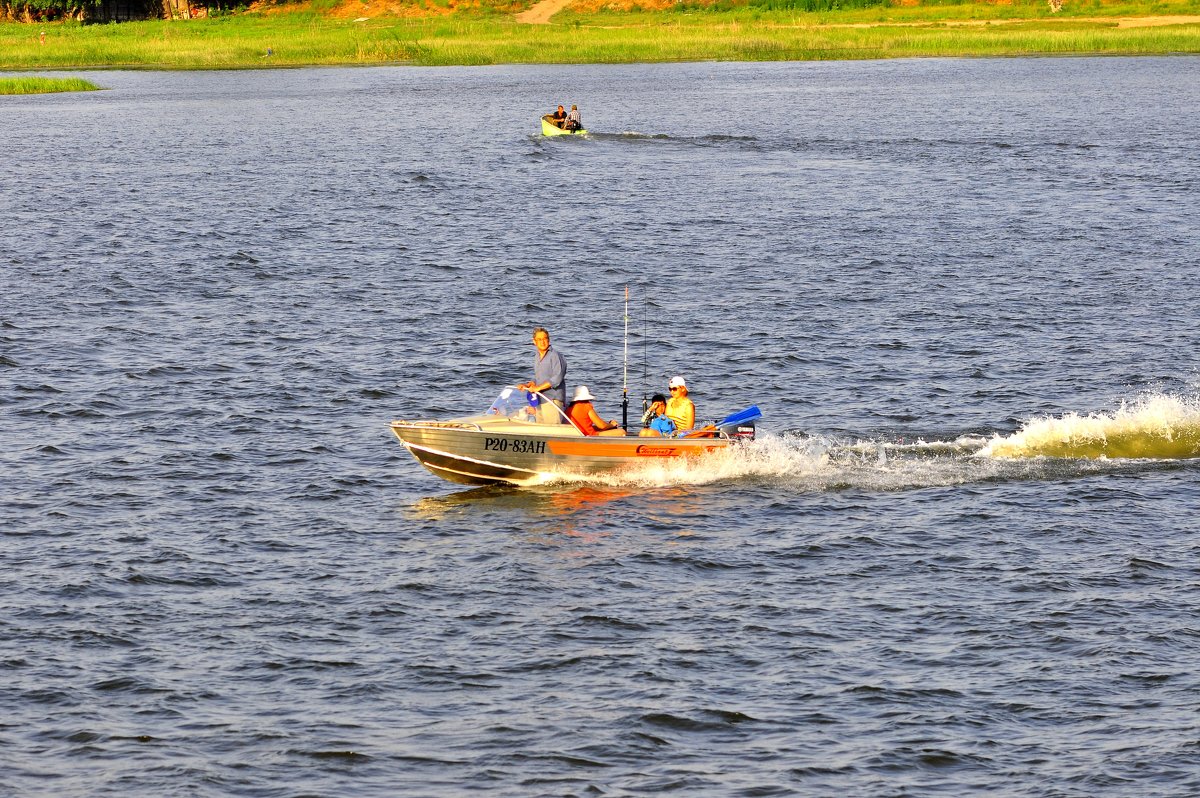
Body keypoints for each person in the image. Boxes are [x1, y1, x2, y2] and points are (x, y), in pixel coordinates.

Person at [519, 327, 567, 424]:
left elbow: (557, 379)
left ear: (548, 340)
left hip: (552, 401)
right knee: (541, 431)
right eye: (539, 339)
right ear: (534, 341)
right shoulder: (537, 356)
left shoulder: (555, 356)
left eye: (545, 338)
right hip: (540, 400)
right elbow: (539, 378)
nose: (543, 342)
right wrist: (528, 385)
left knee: (552, 433)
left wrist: (538, 388)